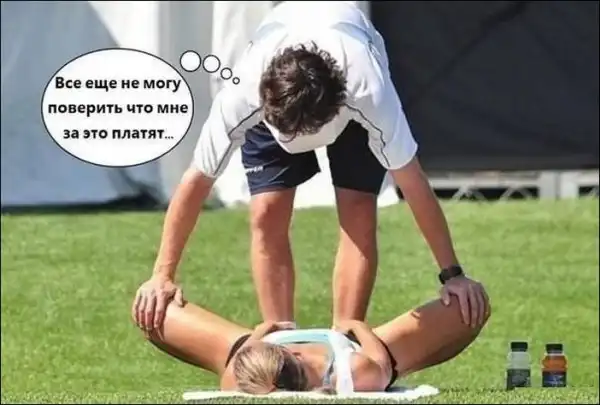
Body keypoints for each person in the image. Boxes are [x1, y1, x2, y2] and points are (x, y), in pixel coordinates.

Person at [132, 1, 488, 332]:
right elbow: (196, 181)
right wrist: (161, 275)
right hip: (278, 86)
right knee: (266, 211)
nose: (294, 141)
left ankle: (346, 337)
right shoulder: (243, 93)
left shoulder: (369, 92)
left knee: (358, 209)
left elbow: (413, 182)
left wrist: (452, 275)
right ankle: (279, 340)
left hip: (350, 92)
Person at [137, 292, 491, 394]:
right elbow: (380, 360)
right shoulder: (355, 372)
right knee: (467, 309)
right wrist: (356, 326)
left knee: (156, 312)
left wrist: (262, 330)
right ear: (290, 351)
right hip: (359, 345)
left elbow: (243, 357)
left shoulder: (236, 378)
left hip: (256, 354)